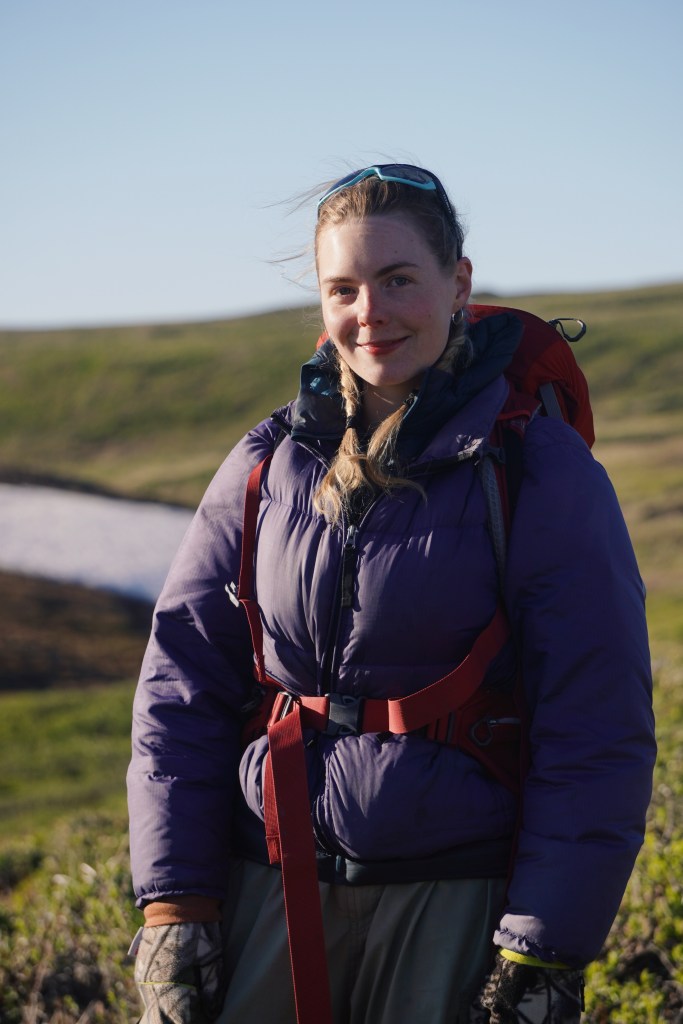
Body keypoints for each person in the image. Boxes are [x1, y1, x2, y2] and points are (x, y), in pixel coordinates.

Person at [127, 164, 656, 1024]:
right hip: (265, 887)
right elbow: (181, 683)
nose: (369, 312)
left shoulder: (536, 466)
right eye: (343, 288)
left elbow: (595, 718)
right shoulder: (267, 462)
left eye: (398, 279)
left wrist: (543, 946)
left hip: (454, 905)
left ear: (459, 284)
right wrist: (174, 903)